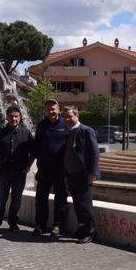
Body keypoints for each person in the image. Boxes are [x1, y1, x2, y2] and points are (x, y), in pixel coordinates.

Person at [0, 106, 34, 233]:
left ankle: (13, 223)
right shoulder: (0, 133)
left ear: (20, 118)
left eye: (16, 116)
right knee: (1, 198)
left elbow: (33, 153)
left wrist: (28, 167)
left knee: (17, 199)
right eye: (11, 116)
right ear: (7, 117)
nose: (13, 119)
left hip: (20, 173)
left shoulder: (26, 133)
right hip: (4, 173)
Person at [62, 106, 100, 244]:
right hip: (72, 175)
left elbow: (94, 152)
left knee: (85, 204)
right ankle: (82, 229)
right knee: (77, 204)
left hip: (84, 175)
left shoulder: (85, 130)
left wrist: (93, 173)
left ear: (77, 116)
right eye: (65, 117)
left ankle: (90, 232)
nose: (67, 119)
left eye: (70, 116)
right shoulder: (69, 132)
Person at [32, 99, 69, 237]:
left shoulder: (66, 123)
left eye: (53, 109)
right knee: (41, 198)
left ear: (59, 108)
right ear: (45, 111)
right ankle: (40, 225)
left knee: (61, 198)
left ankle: (58, 227)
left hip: (61, 170)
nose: (51, 111)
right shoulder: (42, 125)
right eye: (48, 109)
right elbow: (37, 146)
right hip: (44, 169)